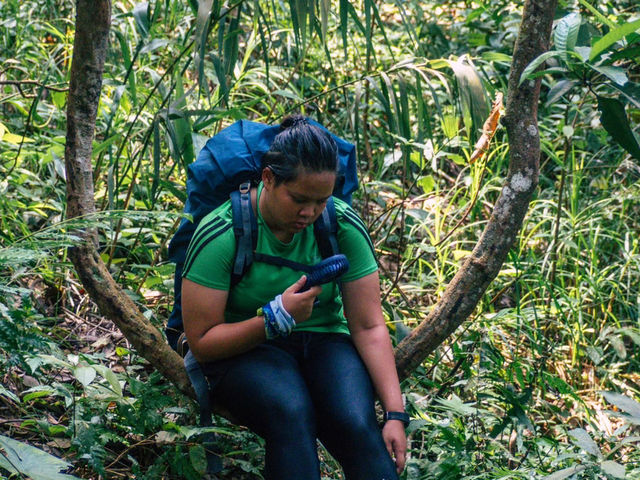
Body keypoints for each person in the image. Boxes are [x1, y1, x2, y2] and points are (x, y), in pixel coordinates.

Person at [181, 115, 407, 479]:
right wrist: (274, 318)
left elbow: (368, 326)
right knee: (289, 410)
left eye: (321, 201)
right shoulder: (223, 232)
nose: (309, 213)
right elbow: (203, 341)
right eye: (299, 199)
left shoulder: (341, 224)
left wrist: (395, 414)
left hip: (322, 341)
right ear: (268, 179)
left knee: (355, 422)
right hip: (243, 349)